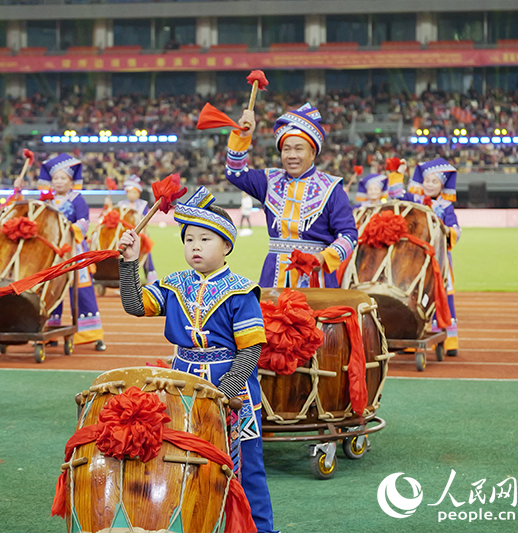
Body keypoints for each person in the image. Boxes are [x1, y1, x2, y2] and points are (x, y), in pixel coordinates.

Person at [118, 186, 276, 533]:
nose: (195, 246)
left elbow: (250, 349)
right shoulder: (173, 285)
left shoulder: (241, 290)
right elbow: (134, 305)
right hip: (182, 386)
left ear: (226, 246)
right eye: (189, 240)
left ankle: (260, 530)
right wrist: (130, 263)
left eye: (206, 239)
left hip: (232, 392)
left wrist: (225, 391)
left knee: (246, 469)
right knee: (183, 462)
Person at [226, 103, 357, 288]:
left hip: (316, 279)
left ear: (313, 153)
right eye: (286, 149)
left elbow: (349, 235)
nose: (291, 155)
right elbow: (234, 172)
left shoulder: (332, 188)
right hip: (273, 278)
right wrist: (243, 136)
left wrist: (324, 257)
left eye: (298, 149)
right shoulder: (268, 181)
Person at [390, 157, 461, 357]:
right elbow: (396, 196)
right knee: (413, 294)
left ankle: (449, 339)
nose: (429, 185)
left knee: (444, 296)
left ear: (442, 185)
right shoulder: (415, 200)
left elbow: (455, 229)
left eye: (434, 182)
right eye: (427, 180)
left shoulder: (446, 207)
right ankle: (412, 336)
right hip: (415, 258)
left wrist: (445, 230)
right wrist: (399, 173)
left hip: (439, 258)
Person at [39, 154, 106, 350]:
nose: (59, 182)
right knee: (51, 289)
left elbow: (84, 222)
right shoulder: (47, 201)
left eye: (63, 178)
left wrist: (70, 230)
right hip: (53, 251)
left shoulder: (77, 199)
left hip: (74, 250)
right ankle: (50, 331)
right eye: (56, 178)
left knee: (83, 291)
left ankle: (92, 335)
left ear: (71, 182)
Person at [116, 175, 158, 284]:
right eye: (129, 192)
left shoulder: (142, 204)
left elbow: (144, 219)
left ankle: (150, 275)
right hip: (125, 234)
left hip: (140, 234)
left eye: (134, 192)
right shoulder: (121, 204)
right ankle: (124, 279)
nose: (131, 195)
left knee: (145, 254)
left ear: (138, 193)